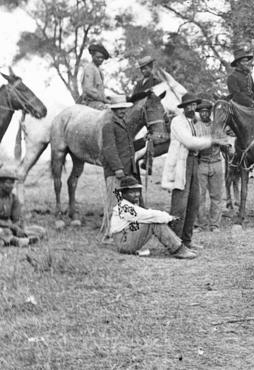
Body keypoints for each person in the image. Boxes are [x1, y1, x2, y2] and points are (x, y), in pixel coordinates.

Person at [162, 93, 229, 250]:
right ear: (183, 107)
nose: (192, 108)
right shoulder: (178, 122)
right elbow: (190, 142)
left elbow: (211, 119)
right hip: (181, 163)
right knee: (180, 204)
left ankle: (186, 240)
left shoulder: (194, 120)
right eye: (188, 106)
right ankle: (175, 244)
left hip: (193, 162)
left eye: (194, 105)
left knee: (194, 202)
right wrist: (212, 140)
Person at [109, 177, 197, 259]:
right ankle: (178, 249)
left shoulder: (129, 205)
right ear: (123, 194)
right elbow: (149, 215)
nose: (136, 195)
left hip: (126, 239)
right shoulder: (125, 207)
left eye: (137, 191)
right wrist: (168, 218)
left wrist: (165, 217)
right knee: (154, 223)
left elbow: (147, 214)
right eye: (132, 192)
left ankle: (179, 247)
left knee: (154, 220)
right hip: (124, 242)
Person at [0, 166, 46, 247]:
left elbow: (17, 219)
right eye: (8, 183)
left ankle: (2, 240)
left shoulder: (14, 198)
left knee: (40, 230)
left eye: (12, 183)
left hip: (9, 230)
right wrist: (10, 226)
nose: (11, 186)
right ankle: (14, 240)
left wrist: (17, 228)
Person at [99, 94, 138, 237]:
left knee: (121, 203)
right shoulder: (109, 125)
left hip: (125, 170)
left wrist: (144, 142)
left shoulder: (123, 124)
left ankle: (118, 233)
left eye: (123, 108)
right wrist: (117, 168)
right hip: (116, 172)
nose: (122, 111)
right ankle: (108, 235)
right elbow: (109, 149)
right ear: (113, 110)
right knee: (113, 203)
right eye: (119, 108)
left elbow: (128, 147)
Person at [195, 99, 226, 231]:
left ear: (210, 113)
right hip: (202, 162)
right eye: (201, 112)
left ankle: (214, 224)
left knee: (216, 196)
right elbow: (195, 143)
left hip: (216, 162)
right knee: (200, 196)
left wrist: (221, 142)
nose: (204, 114)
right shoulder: (196, 127)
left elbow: (225, 141)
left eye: (206, 112)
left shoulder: (217, 126)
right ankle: (200, 224)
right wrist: (211, 141)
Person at [78, 42, 110, 109]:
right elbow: (88, 89)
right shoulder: (89, 68)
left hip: (98, 101)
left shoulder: (98, 69)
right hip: (90, 102)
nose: (100, 59)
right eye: (98, 57)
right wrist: (103, 99)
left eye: (102, 58)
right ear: (92, 56)